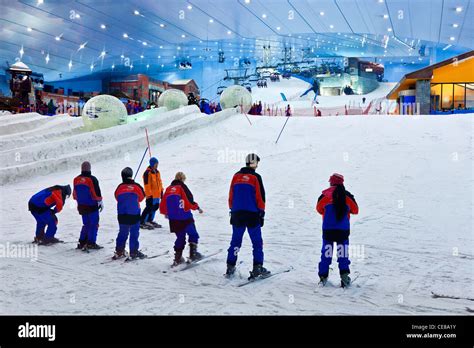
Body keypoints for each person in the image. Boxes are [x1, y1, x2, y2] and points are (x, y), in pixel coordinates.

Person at [226, 154, 269, 279]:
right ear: (254, 163)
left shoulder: (236, 176)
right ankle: (258, 268)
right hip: (252, 214)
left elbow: (231, 195)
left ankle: (230, 266)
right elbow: (260, 196)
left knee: (235, 241)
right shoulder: (255, 177)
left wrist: (232, 209)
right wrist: (261, 212)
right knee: (257, 242)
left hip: (237, 214)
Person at [316, 173, 359, 287]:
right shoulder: (347, 196)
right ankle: (344, 278)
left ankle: (323, 277)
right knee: (343, 253)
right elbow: (355, 210)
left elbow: (319, 209)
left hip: (328, 230)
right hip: (342, 231)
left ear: (331, 182)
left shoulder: (324, 195)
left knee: (326, 253)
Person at [160, 172, 203, 266]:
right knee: (193, 234)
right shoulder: (182, 187)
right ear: (183, 179)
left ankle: (177, 258)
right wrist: (197, 207)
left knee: (180, 237)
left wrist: (166, 213)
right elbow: (189, 201)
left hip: (174, 219)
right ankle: (193, 254)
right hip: (185, 217)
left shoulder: (168, 189)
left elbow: (162, 204)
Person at [114, 167, 146, 259]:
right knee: (134, 233)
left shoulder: (119, 187)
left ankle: (119, 251)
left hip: (122, 214)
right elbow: (142, 197)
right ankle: (133, 252)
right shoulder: (136, 186)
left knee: (122, 232)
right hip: (134, 215)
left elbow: (116, 197)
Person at [73, 161, 103, 250]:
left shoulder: (76, 179)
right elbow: (96, 193)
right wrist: (100, 201)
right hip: (92, 206)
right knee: (93, 224)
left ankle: (82, 242)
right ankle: (91, 242)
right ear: (89, 169)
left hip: (81, 206)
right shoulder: (92, 179)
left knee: (86, 224)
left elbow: (75, 195)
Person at [140, 157, 163, 230]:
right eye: (156, 164)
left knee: (155, 207)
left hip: (157, 195)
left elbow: (160, 182)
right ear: (152, 164)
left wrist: (161, 191)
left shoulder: (157, 172)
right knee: (149, 208)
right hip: (151, 195)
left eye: (157, 164)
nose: (157, 165)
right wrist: (149, 195)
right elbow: (147, 185)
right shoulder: (147, 173)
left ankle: (150, 220)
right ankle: (143, 221)